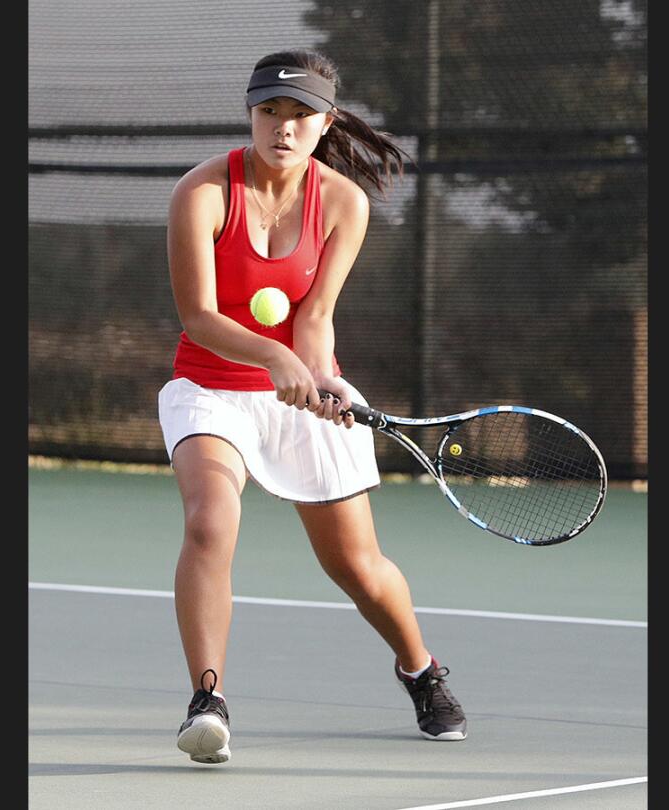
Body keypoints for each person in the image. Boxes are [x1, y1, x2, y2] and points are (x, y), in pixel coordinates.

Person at [158, 49, 467, 765]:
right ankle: (209, 701)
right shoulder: (202, 194)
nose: (284, 127)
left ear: (327, 123)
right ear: (250, 113)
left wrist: (318, 376)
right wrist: (275, 361)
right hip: (209, 389)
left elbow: (315, 315)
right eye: (270, 111)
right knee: (210, 522)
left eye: (301, 115)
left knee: (357, 566)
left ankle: (420, 669)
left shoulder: (343, 203)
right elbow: (199, 315)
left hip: (299, 386)